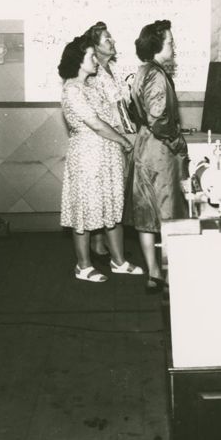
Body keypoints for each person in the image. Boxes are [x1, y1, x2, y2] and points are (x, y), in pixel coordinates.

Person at [57, 34, 143, 282]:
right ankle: (83, 266)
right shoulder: (72, 89)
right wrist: (124, 141)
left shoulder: (93, 84)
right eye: (91, 56)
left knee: (113, 205)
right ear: (78, 61)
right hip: (87, 155)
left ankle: (118, 261)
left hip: (107, 153)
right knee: (84, 209)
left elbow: (113, 113)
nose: (96, 59)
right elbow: (95, 124)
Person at [127, 19, 188, 293]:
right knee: (168, 211)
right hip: (159, 151)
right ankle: (169, 275)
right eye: (170, 42)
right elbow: (158, 118)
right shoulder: (157, 75)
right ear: (157, 45)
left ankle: (153, 271)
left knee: (146, 212)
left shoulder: (142, 71)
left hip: (144, 146)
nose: (174, 46)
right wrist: (177, 142)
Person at [83, 21, 136, 262]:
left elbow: (122, 105)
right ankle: (97, 240)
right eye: (107, 39)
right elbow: (99, 113)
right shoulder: (92, 75)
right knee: (102, 191)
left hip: (121, 134)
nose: (112, 41)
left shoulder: (113, 69)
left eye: (112, 37)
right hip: (103, 139)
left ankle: (103, 241)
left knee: (116, 188)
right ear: (94, 46)